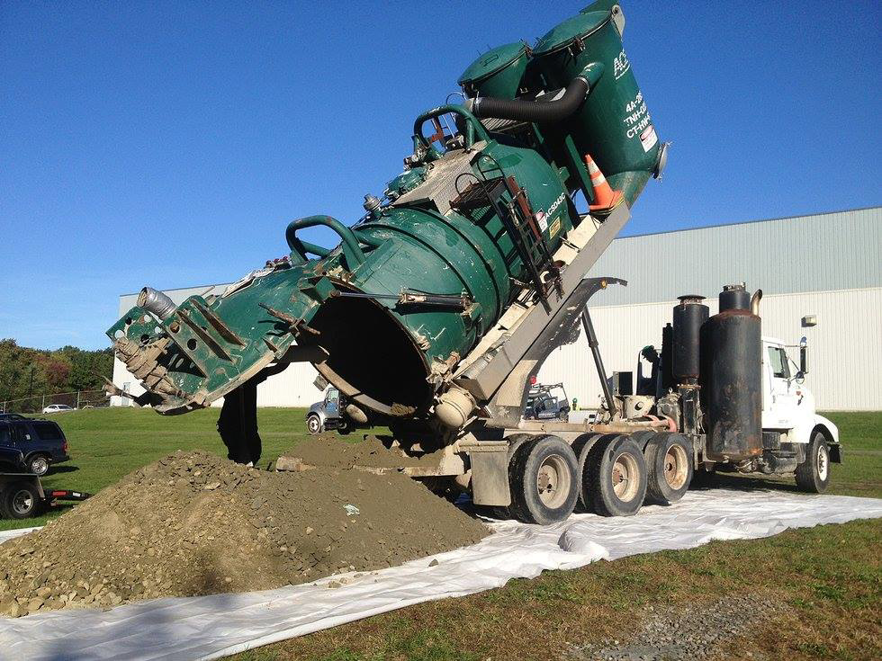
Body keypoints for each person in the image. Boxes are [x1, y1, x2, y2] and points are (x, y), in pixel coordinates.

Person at [217, 362, 289, 466]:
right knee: (241, 440)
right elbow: (279, 367)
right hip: (234, 424)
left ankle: (244, 463)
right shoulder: (237, 375)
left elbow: (279, 367)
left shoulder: (250, 374)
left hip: (240, 426)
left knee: (247, 442)